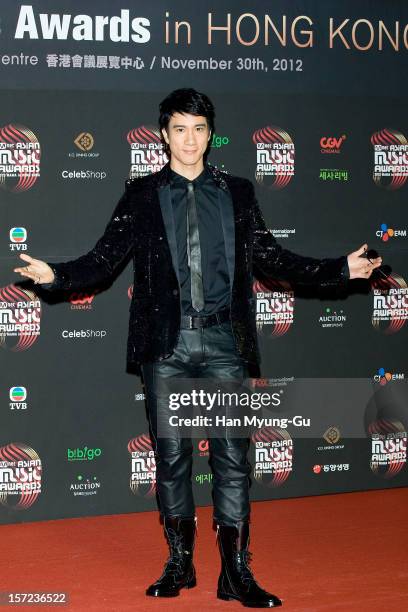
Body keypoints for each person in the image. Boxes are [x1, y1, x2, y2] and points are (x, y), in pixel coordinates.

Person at [14, 88, 382, 608]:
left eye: (199, 129)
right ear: (164, 135)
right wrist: (56, 275)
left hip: (224, 343)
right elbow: (103, 260)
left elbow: (272, 258)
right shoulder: (141, 196)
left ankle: (235, 572)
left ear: (211, 134)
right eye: (179, 129)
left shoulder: (238, 192)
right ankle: (180, 563)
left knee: (233, 458)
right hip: (166, 347)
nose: (190, 140)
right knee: (171, 458)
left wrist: (340, 269)